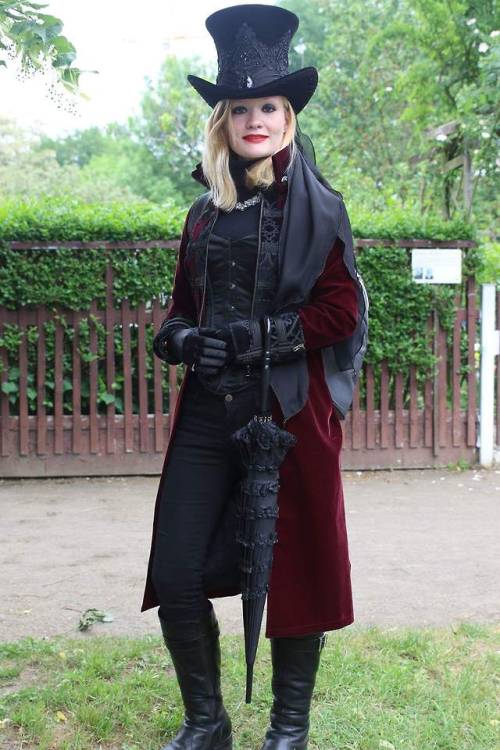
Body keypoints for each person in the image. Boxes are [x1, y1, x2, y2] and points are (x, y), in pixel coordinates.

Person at [141, 5, 368, 750]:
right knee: (175, 568)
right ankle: (207, 723)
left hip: (290, 416)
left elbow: (342, 310)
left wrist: (263, 335)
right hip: (209, 415)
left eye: (268, 106)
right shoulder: (203, 216)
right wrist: (183, 342)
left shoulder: (319, 208)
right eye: (240, 109)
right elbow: (176, 314)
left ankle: (288, 729)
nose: (256, 119)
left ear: (288, 113)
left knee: (296, 577)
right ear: (224, 122)